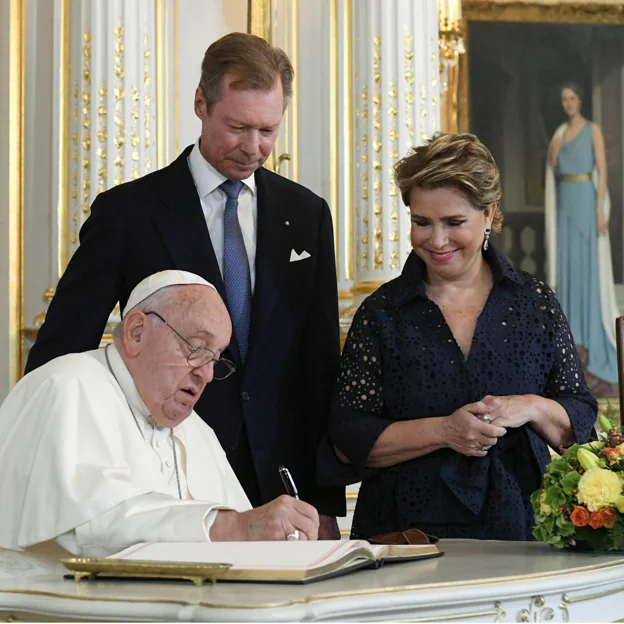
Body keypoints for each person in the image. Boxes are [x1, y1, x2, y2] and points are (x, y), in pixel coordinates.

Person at [24, 32, 343, 537]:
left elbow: (319, 363)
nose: (253, 147)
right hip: (165, 485)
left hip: (281, 487)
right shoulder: (129, 213)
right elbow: (63, 348)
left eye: (268, 130)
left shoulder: (307, 214)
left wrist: (324, 502)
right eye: (237, 127)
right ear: (201, 103)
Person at [317, 132, 597, 541]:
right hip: (403, 538)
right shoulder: (381, 313)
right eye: (422, 223)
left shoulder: (535, 303)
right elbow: (348, 438)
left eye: (453, 222)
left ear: (488, 214)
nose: (437, 240)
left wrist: (530, 406)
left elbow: (580, 423)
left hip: (521, 532)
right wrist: (446, 431)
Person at [0, 271, 320, 558]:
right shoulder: (69, 384)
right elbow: (89, 527)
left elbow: (244, 534)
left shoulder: (197, 431)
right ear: (137, 332)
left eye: (216, 358)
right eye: (196, 348)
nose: (207, 375)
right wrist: (234, 528)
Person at [545, 81, 619, 396]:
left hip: (587, 204)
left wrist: (601, 209)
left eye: (572, 98)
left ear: (580, 100)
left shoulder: (594, 130)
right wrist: (555, 150)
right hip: (565, 207)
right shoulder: (559, 134)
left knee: (587, 271)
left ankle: (591, 343)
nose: (568, 103)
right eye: (564, 99)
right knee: (568, 270)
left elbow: (601, 171)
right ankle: (572, 342)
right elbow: (552, 169)